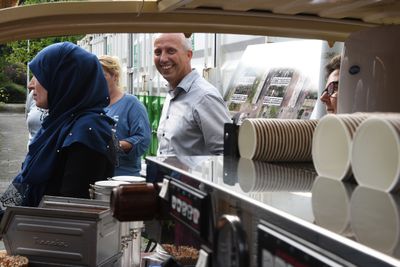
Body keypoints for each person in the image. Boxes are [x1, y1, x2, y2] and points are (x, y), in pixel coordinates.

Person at [0, 42, 116, 213]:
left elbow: (69, 212)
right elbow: (24, 183)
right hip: (27, 231)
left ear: (63, 79)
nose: (30, 85)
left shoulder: (87, 131)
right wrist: (4, 214)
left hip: (45, 235)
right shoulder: (59, 122)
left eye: (38, 76)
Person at [154, 33, 231, 156]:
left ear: (188, 55)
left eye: (171, 51)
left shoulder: (204, 97)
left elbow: (226, 155)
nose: (163, 59)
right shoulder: (173, 93)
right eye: (158, 52)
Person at [99, 55, 151, 176]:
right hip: (101, 177)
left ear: (115, 76)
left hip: (124, 177)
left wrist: (115, 146)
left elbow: (143, 139)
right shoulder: (95, 104)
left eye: (103, 76)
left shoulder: (131, 104)